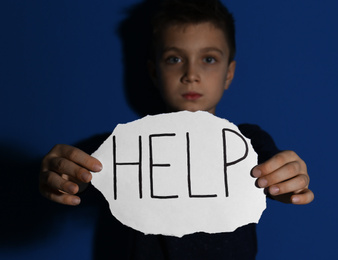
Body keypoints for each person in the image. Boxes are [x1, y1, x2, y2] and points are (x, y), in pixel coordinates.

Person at [39, 0, 314, 258]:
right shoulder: (122, 146)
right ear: (154, 71)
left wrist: (289, 180)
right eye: (174, 59)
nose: (190, 74)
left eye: (208, 59)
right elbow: (74, 173)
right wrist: (62, 174)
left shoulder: (248, 141)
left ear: (229, 73)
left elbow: (279, 172)